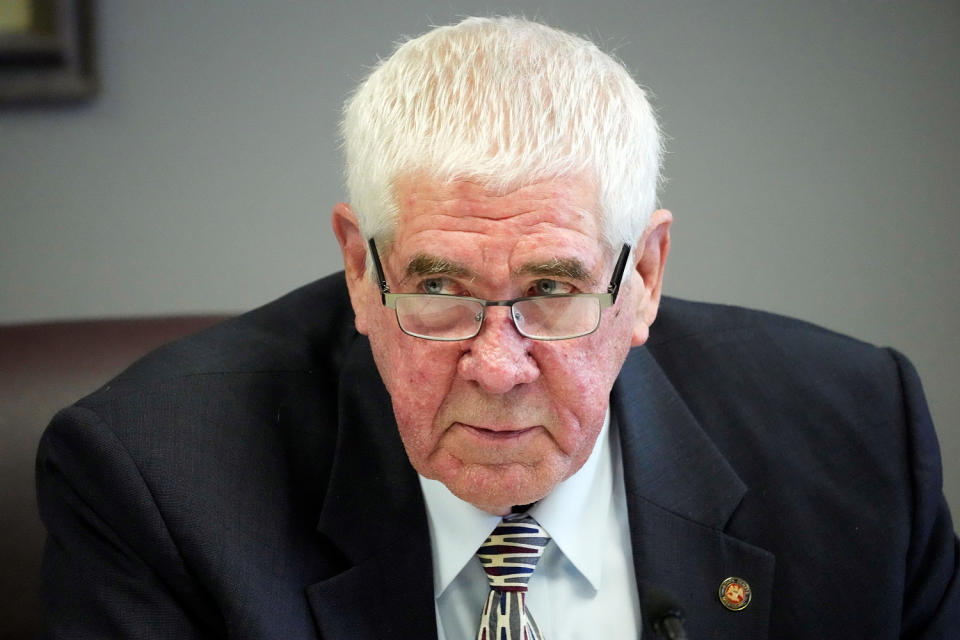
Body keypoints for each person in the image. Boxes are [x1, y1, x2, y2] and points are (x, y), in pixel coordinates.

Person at [36, 16, 958, 639]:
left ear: (644, 279)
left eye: (554, 288)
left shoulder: (859, 438)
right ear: (361, 270)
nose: (498, 365)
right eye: (438, 285)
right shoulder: (157, 481)